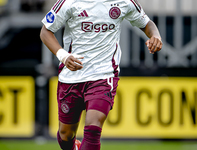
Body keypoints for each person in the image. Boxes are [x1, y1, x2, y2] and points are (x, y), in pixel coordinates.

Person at [40, 0, 162, 149]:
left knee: (93, 127)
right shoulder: (69, 2)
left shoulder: (124, 2)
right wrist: (64, 56)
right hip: (72, 75)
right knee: (66, 134)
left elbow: (147, 23)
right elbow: (45, 31)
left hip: (103, 75)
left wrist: (155, 36)